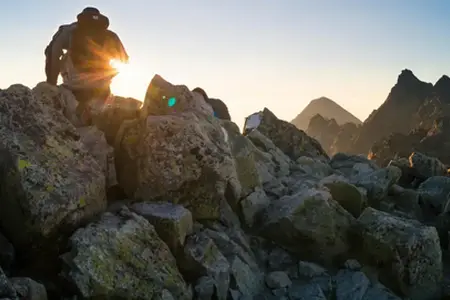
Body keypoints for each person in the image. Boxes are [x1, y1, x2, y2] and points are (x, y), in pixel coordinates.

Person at [45, 7, 129, 121]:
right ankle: (95, 110)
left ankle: (76, 108)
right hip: (101, 87)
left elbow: (52, 52)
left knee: (57, 53)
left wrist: (51, 83)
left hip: (73, 84)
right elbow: (124, 60)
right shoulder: (111, 35)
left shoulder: (68, 30)